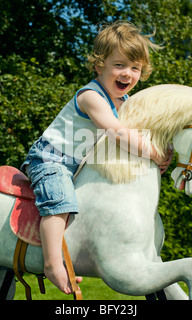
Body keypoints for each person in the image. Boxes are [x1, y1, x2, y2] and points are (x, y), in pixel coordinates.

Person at [21, 21, 173, 294]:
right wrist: (152, 152)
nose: (127, 73)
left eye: (135, 68)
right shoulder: (91, 96)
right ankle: (53, 263)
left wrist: (158, 155)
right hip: (50, 160)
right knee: (60, 203)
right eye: (120, 65)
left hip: (78, 167)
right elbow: (120, 135)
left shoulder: (127, 103)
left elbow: (138, 136)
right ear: (99, 65)